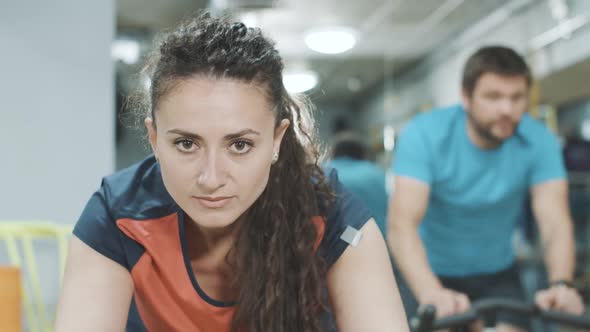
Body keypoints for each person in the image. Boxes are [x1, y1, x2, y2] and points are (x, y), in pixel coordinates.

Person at [55, 12, 408, 332]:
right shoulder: (117, 217)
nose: (211, 178)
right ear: (154, 139)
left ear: (276, 139)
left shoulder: (331, 215)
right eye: (186, 144)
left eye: (239, 145)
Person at [387, 45, 584, 332]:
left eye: (516, 98)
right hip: (429, 272)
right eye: (493, 97)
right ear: (466, 98)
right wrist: (432, 293)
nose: (507, 109)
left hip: (497, 272)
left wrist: (561, 283)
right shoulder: (425, 134)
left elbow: (554, 220)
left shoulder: (538, 140)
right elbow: (402, 224)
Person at [325, 132, 389, 237]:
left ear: (334, 152)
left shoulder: (325, 172)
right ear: (362, 152)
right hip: (380, 239)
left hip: (345, 243)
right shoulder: (377, 173)